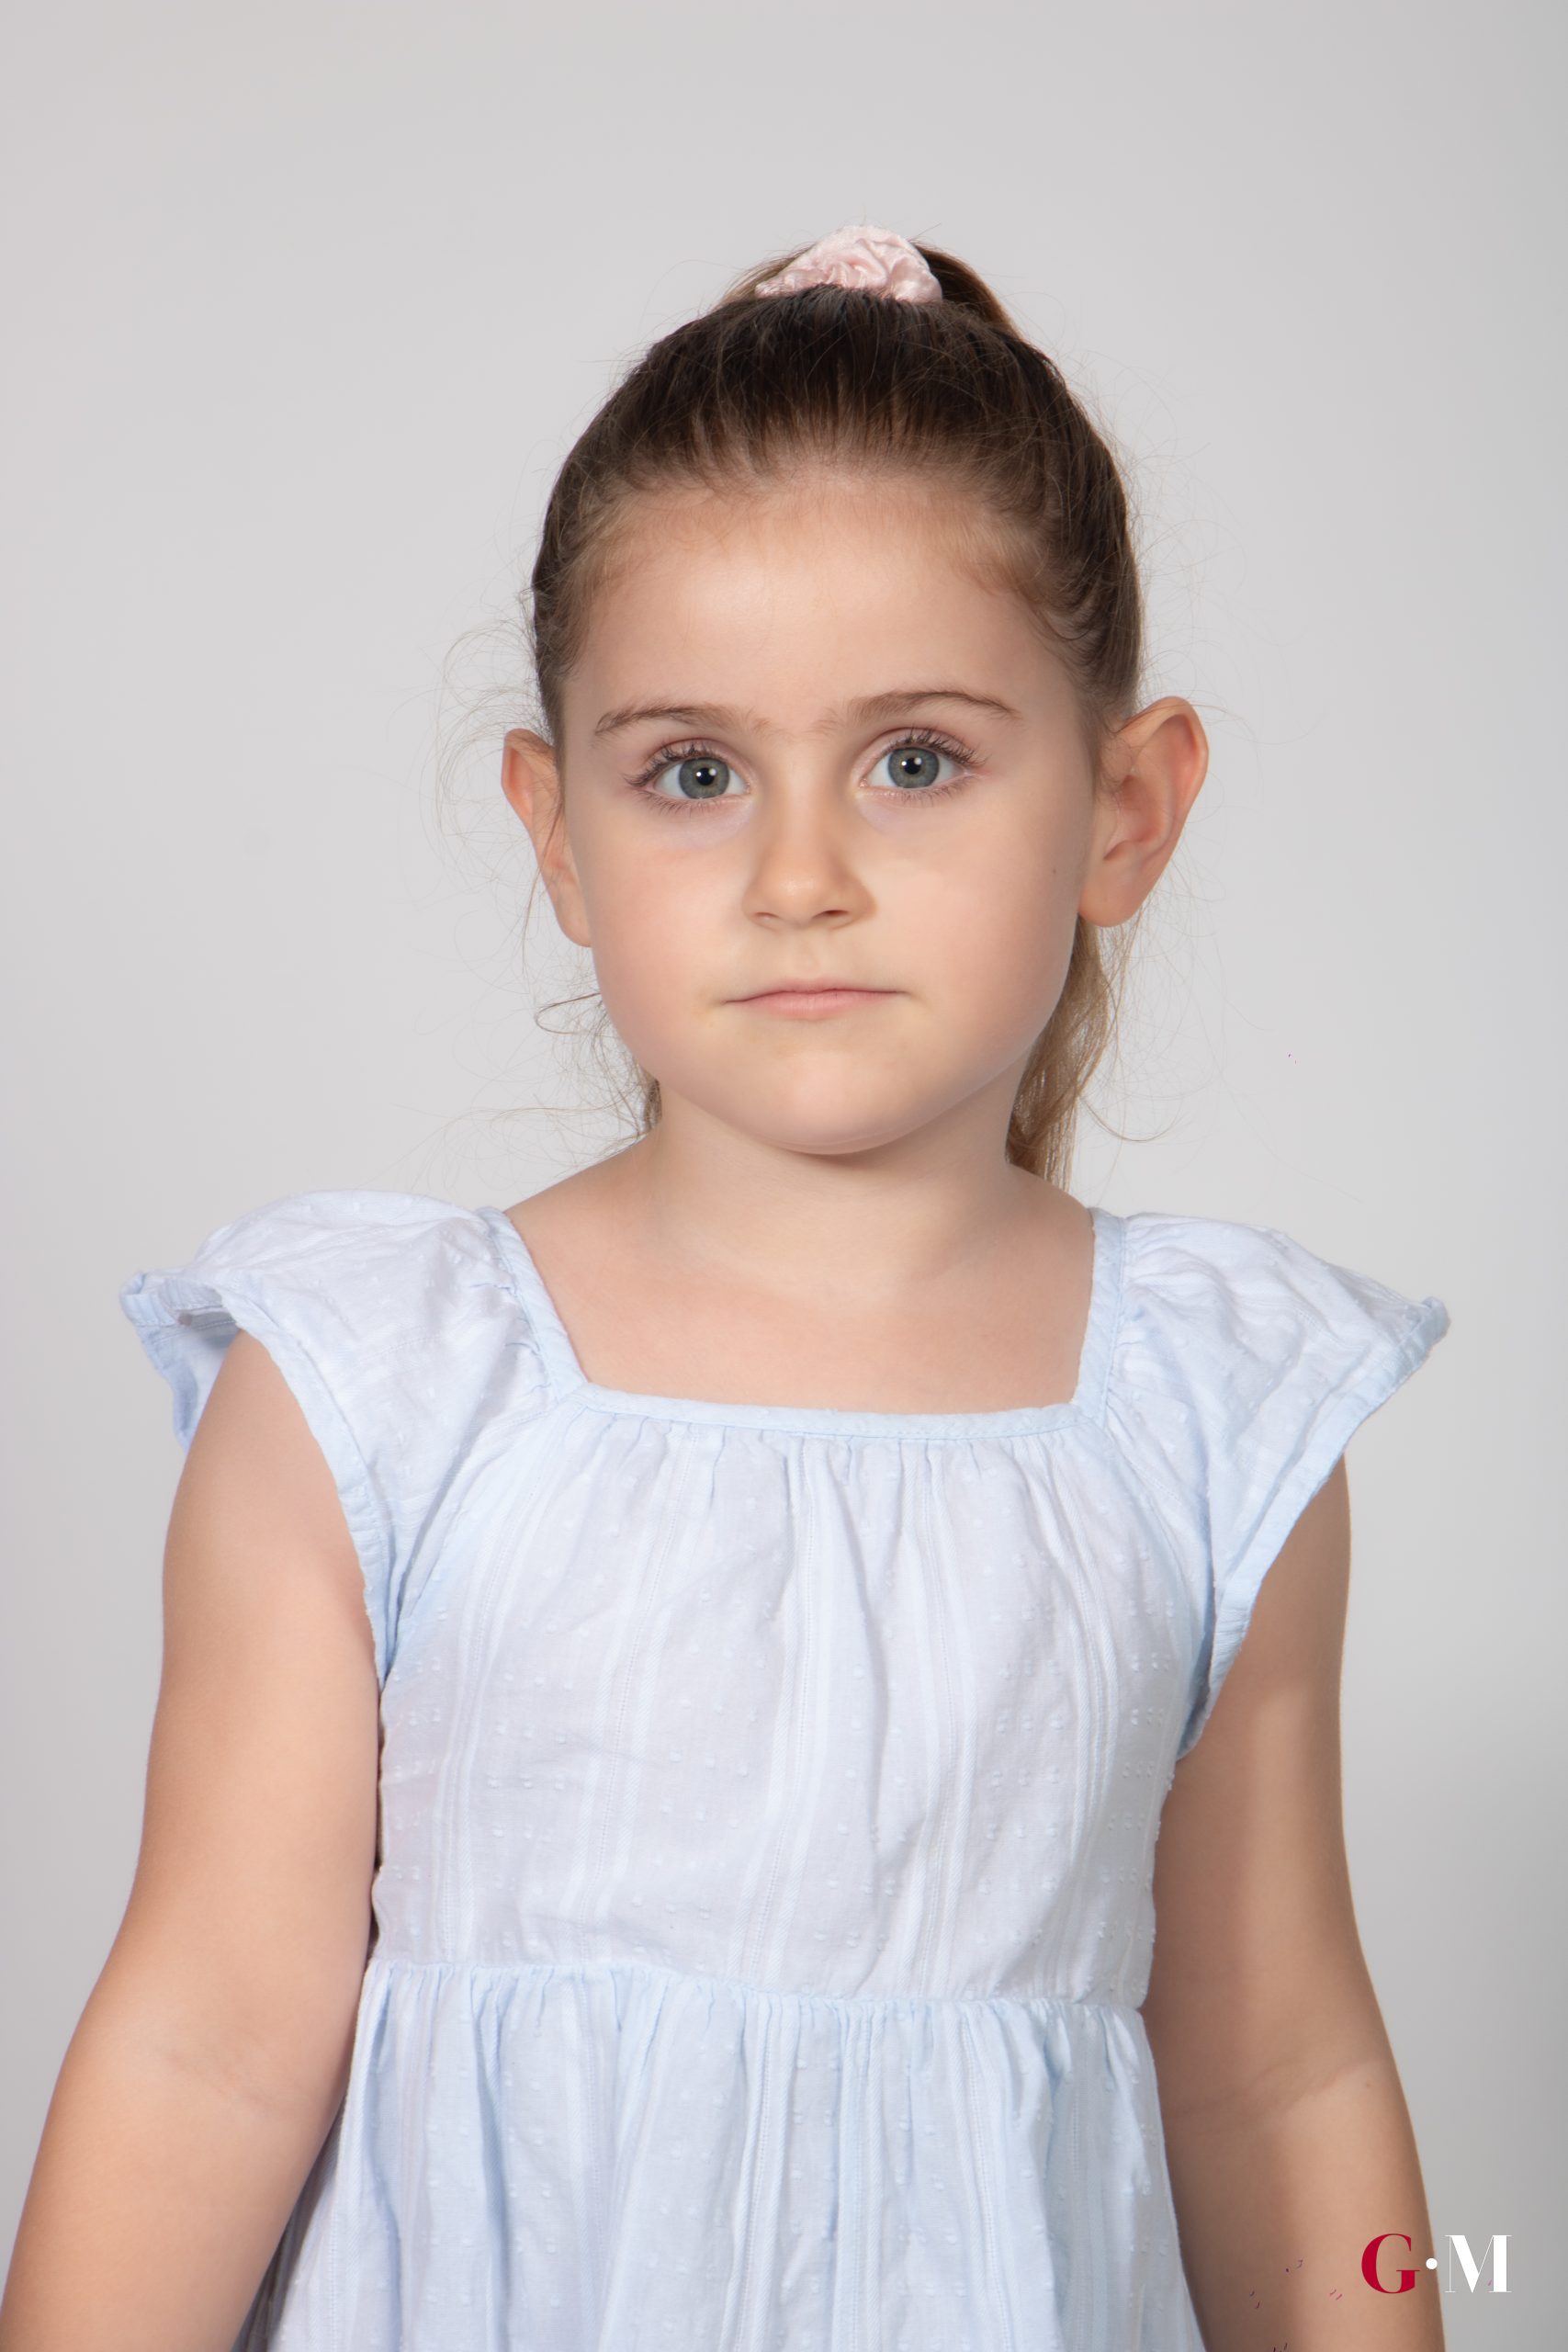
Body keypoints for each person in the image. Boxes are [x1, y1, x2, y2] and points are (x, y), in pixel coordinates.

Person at [0, 224, 1452, 2352]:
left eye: (914, 758)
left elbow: (1273, 2078)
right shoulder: (379, 1388)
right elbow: (207, 2042)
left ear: (1124, 808)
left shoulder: (1212, 1426)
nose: (797, 876)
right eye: (693, 771)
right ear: (557, 831)